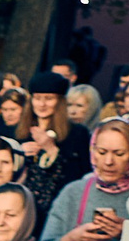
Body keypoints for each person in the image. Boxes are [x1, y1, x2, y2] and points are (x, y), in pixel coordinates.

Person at [23, 73, 91, 216]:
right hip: (22, 207)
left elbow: (81, 176)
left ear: (60, 101)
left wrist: (52, 151)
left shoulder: (78, 134)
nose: (42, 104)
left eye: (49, 99)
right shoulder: (20, 132)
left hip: (58, 209)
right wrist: (17, 153)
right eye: (37, 98)